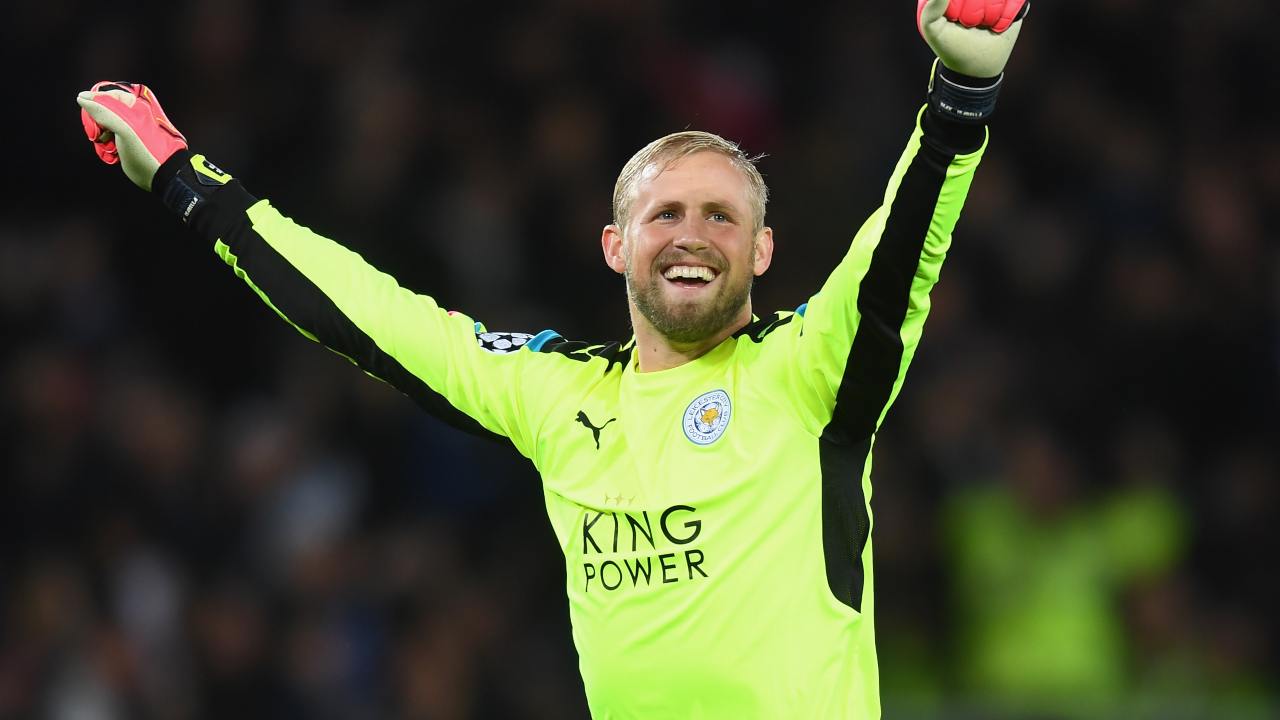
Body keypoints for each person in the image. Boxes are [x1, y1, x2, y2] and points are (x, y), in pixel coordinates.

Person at [76, 0, 1028, 716]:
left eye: (721, 216)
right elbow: (363, 313)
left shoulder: (807, 372)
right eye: (665, 213)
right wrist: (185, 181)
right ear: (616, 246)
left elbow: (900, 257)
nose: (692, 235)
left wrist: (957, 102)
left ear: (762, 252)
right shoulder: (555, 393)